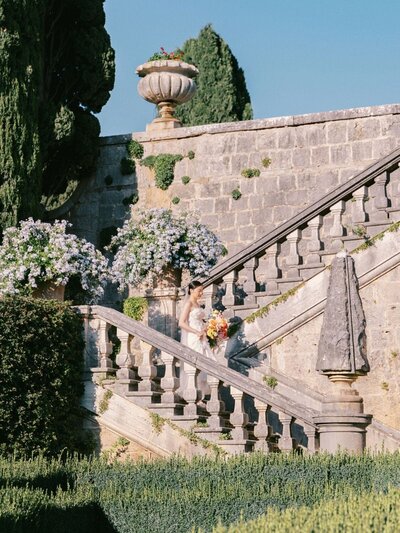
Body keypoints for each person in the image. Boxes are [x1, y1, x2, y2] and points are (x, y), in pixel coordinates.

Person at [178, 281, 215, 405]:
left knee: (205, 364)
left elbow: (200, 321)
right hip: (193, 337)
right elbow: (181, 323)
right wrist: (195, 332)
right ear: (191, 291)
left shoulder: (197, 304)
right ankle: (193, 394)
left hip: (201, 336)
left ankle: (200, 394)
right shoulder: (188, 303)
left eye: (202, 290)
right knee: (195, 365)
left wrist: (208, 328)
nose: (201, 293)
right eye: (199, 290)